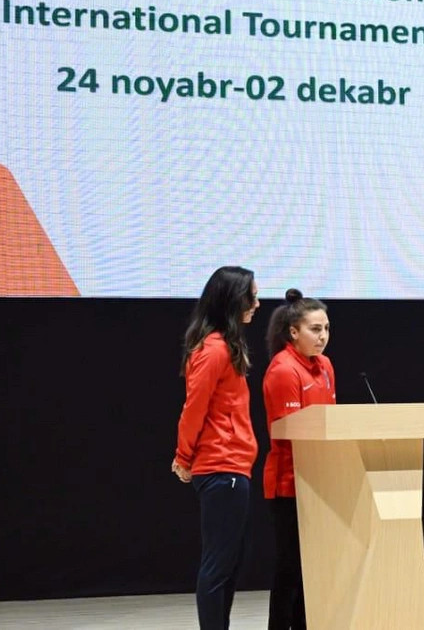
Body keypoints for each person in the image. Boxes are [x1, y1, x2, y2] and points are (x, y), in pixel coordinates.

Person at [172, 266, 260, 630]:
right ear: (233, 300)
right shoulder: (213, 350)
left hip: (233, 468)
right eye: (251, 296)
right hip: (221, 468)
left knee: (228, 565)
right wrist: (183, 456)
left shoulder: (225, 347)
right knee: (218, 565)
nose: (256, 303)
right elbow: (194, 408)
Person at [263, 289, 336, 630]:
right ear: (293, 332)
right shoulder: (283, 369)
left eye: (326, 329)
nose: (323, 336)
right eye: (315, 329)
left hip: (320, 480)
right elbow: (289, 429)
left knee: (314, 568)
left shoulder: (325, 366)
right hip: (289, 482)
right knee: (290, 567)